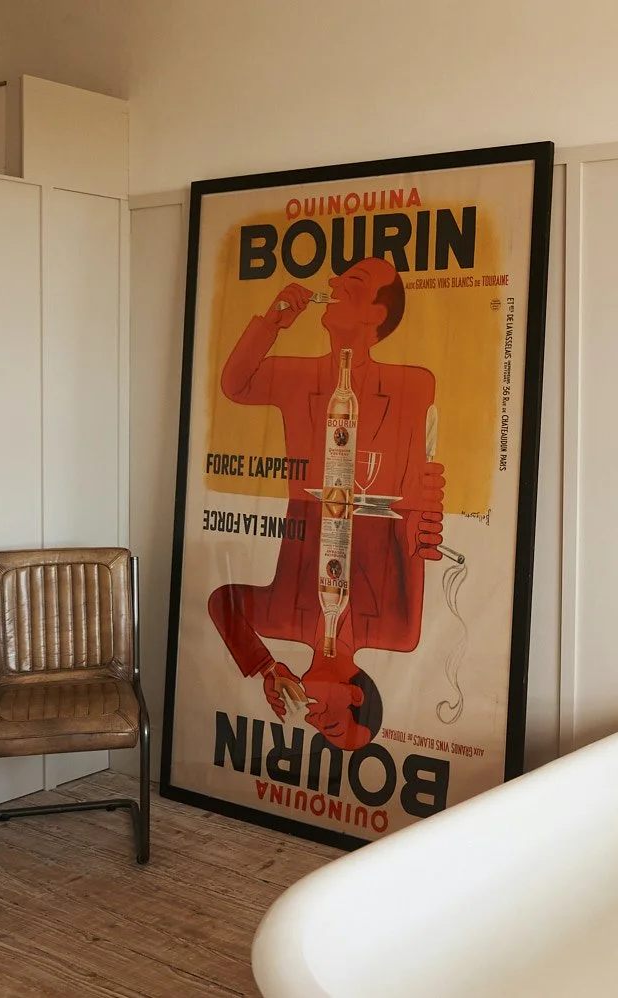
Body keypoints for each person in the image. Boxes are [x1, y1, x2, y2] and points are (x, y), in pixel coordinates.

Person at [208, 255, 444, 750]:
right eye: (330, 724)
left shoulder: (284, 621)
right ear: (355, 699)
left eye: (349, 283)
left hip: (330, 514)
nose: (333, 283)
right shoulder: (400, 633)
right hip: (338, 510)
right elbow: (235, 385)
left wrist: (268, 668)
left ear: (375, 315)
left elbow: (222, 603)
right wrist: (273, 321)